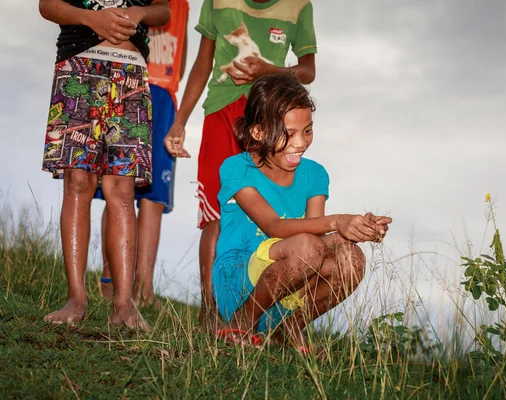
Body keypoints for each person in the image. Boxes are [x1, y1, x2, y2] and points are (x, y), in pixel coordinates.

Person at [163, 0, 318, 329]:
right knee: (215, 215)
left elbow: (307, 71)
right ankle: (210, 312)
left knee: (268, 219)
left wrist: (267, 71)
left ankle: (258, 316)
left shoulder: (299, 6)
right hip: (221, 111)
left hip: (272, 121)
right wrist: (180, 121)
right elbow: (203, 61)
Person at [211, 73, 392, 353]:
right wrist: (337, 222)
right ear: (258, 132)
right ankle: (242, 322)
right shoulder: (236, 169)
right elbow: (273, 226)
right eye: (289, 133)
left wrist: (357, 229)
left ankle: (291, 328)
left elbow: (313, 233)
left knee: (351, 257)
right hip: (239, 285)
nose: (300, 143)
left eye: (307, 130)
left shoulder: (315, 175)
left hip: (289, 282)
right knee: (307, 247)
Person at [39, 0, 170, 331]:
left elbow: (163, 10)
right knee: (78, 182)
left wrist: (139, 14)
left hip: (130, 71)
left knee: (122, 188)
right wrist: (90, 18)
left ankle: (123, 305)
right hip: (78, 65)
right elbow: (47, 5)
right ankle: (76, 298)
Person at [97, 0, 190, 310]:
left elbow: (181, 56)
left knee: (154, 197)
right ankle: (109, 279)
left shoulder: (182, 6)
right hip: (130, 80)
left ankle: (144, 287)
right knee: (118, 182)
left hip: (165, 95)